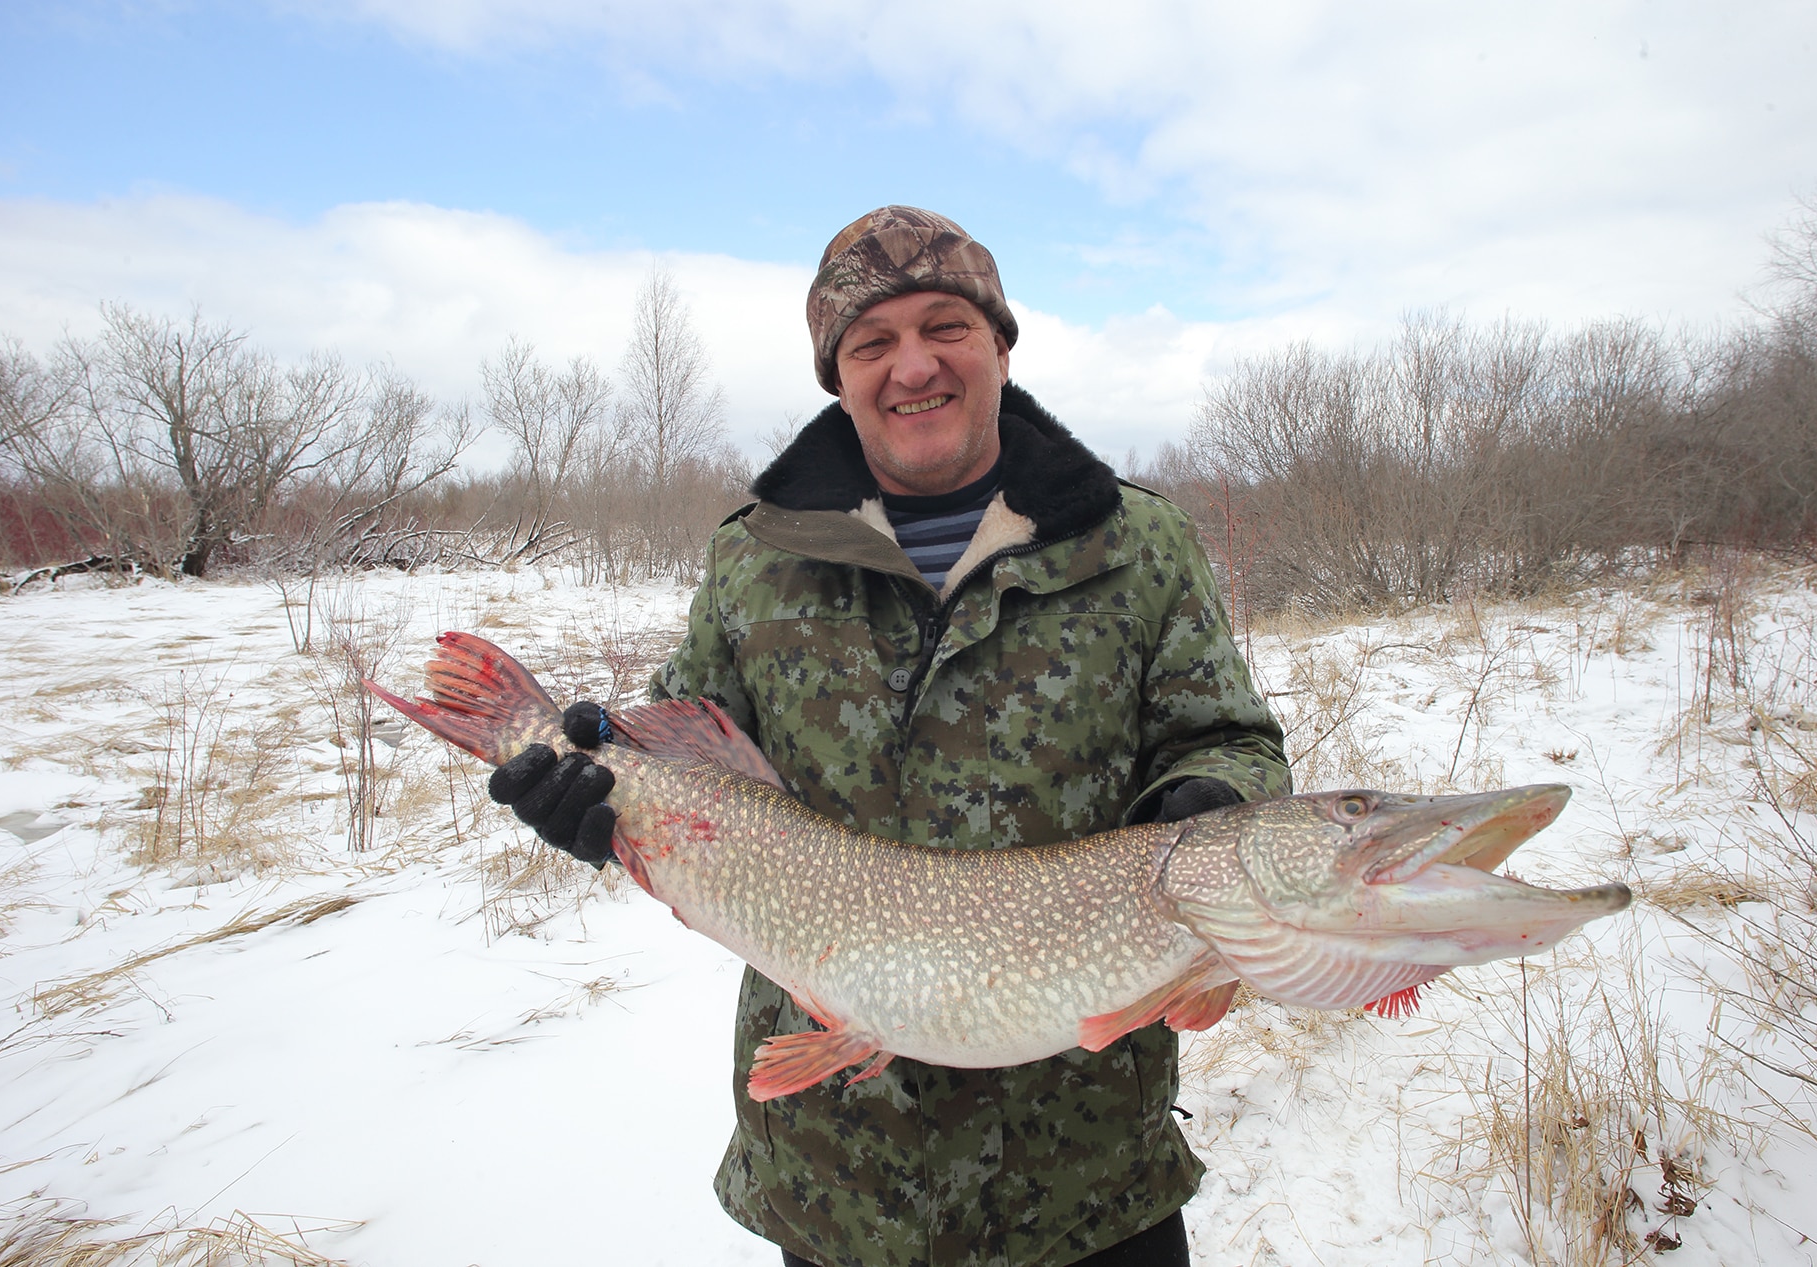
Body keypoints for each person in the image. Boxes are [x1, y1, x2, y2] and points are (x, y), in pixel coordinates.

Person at [489, 206, 1290, 1267]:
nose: (913, 364)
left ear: (1000, 344)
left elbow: (1225, 736)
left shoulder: (1135, 542)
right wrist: (598, 792)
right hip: (840, 1177)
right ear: (838, 375)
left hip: (1090, 1170)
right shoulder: (753, 558)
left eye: (945, 326)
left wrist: (1211, 801)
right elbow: (688, 741)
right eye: (872, 342)